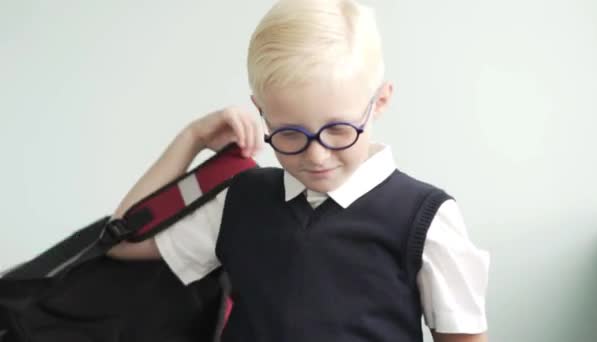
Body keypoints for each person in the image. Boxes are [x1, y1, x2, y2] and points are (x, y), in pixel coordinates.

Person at [107, 1, 490, 341]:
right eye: (290, 134)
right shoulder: (239, 199)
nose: (317, 156)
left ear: (380, 102)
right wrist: (191, 138)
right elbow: (120, 241)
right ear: (262, 113)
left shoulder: (426, 218)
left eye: (339, 130)